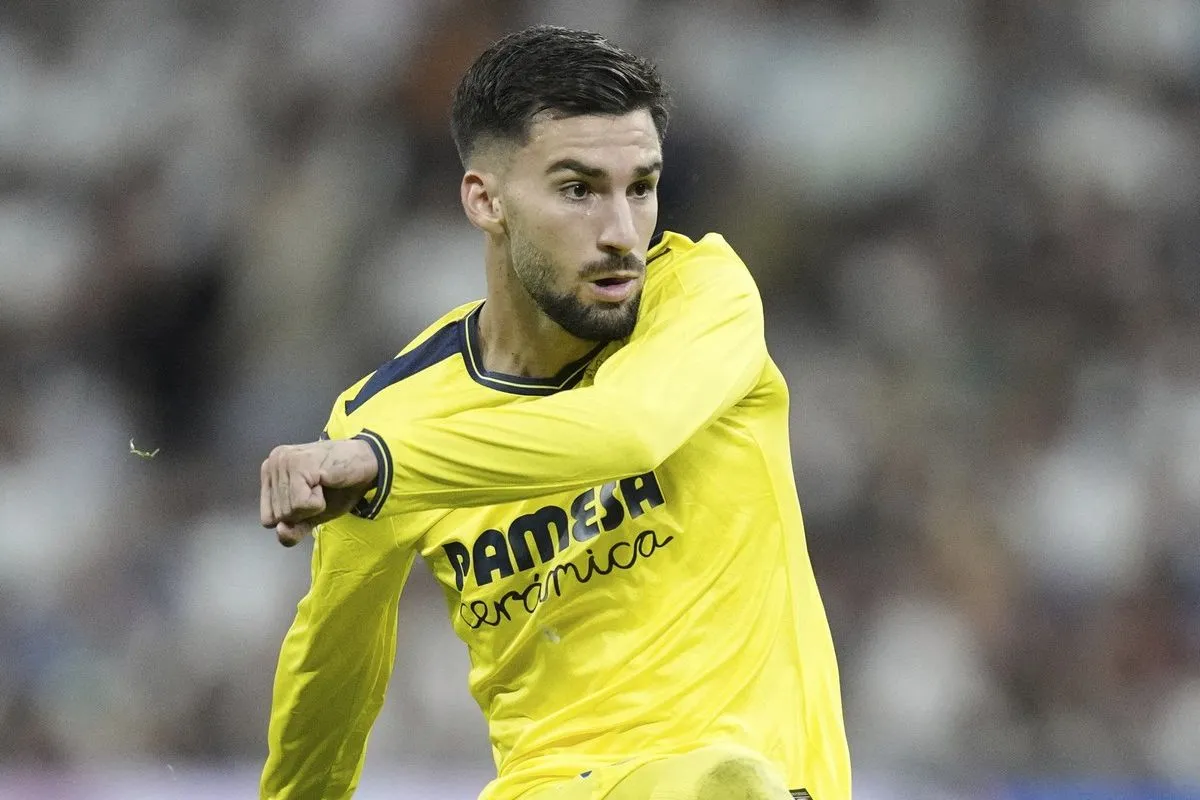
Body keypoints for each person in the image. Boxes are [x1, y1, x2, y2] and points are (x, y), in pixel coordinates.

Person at [258, 25, 850, 800]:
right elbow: (332, 677)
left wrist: (385, 465)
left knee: (724, 781)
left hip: (751, 786)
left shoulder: (702, 297)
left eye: (641, 188)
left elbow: (631, 430)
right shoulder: (392, 414)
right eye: (579, 191)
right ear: (486, 200)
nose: (621, 233)